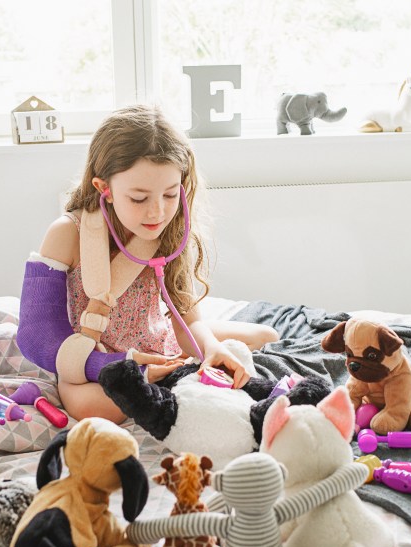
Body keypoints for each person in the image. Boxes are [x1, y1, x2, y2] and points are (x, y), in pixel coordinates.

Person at [17, 105, 279, 423]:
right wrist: (127, 367)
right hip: (93, 357)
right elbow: (36, 335)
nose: (157, 213)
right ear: (105, 189)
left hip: (158, 343)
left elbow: (187, 317)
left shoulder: (169, 229)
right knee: (91, 408)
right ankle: (171, 381)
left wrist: (210, 348)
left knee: (267, 338)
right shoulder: (66, 233)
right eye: (139, 199)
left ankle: (177, 375)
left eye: (169, 195)